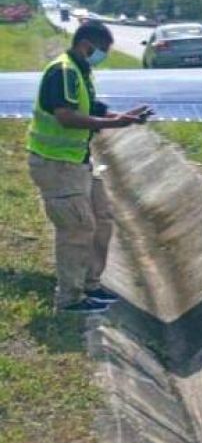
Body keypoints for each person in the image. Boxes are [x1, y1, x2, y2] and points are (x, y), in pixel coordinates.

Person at [27, 20, 153, 314]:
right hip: (56, 163)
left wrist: (123, 115)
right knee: (76, 228)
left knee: (102, 218)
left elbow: (90, 107)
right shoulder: (63, 72)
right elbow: (66, 116)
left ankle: (90, 284)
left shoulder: (81, 70)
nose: (103, 56)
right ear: (88, 46)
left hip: (78, 160)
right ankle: (70, 298)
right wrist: (115, 123)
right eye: (103, 51)